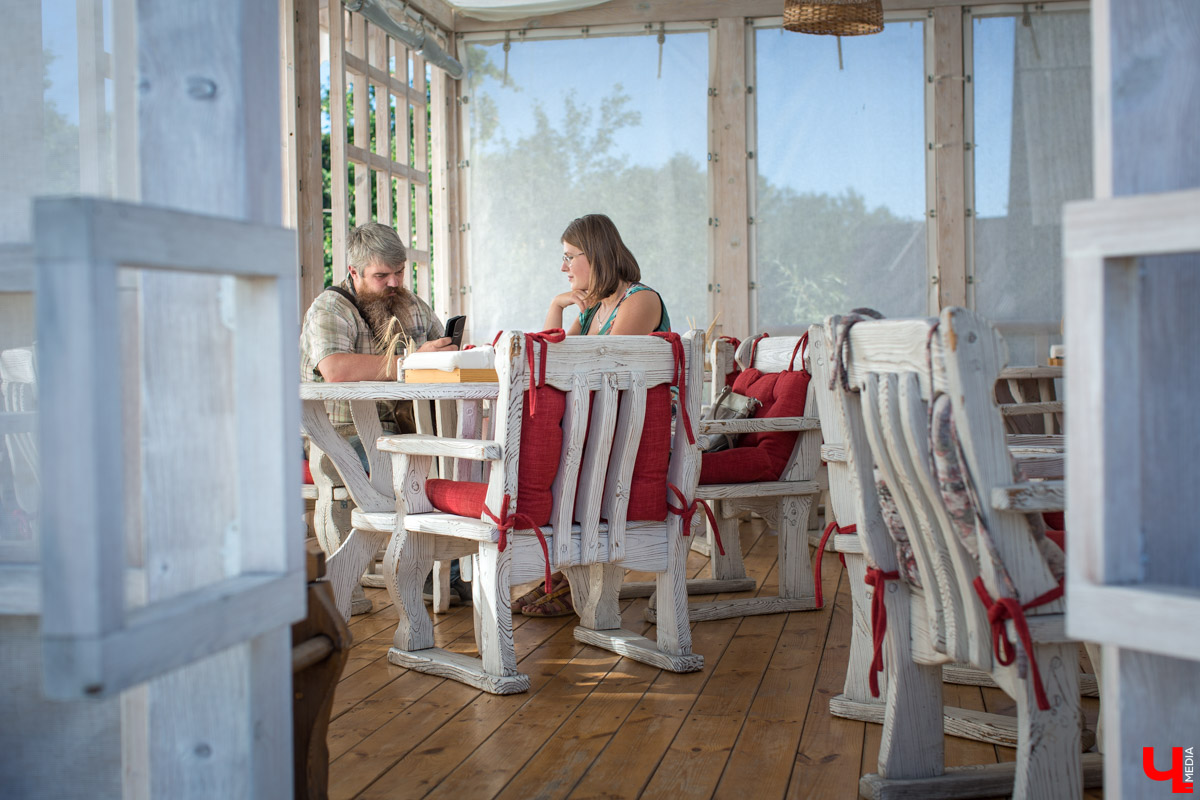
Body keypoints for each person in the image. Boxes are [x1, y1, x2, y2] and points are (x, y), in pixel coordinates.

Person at [300, 222, 469, 604]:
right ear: (354, 272)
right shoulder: (330, 308)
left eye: (399, 272)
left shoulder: (411, 306)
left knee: (463, 460)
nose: (393, 283)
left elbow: (442, 357)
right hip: (338, 433)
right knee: (407, 470)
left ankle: (441, 574)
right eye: (381, 276)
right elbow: (335, 369)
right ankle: (417, 576)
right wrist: (410, 362)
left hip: (402, 429)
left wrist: (451, 354)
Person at [518, 214, 671, 618]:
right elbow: (548, 363)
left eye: (570, 256)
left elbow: (606, 372)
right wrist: (556, 305)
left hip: (632, 426)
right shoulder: (591, 311)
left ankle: (567, 576)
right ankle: (563, 572)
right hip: (599, 422)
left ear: (596, 254)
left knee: (546, 446)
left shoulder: (640, 300)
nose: (563, 267)